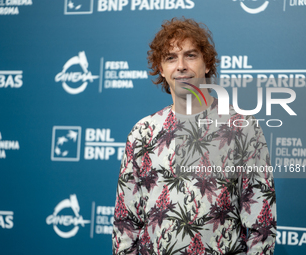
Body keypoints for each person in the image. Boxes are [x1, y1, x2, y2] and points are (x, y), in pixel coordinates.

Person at [112, 17, 276, 255]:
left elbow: (262, 225)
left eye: (190, 55)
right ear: (161, 68)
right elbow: (125, 222)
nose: (181, 66)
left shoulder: (242, 127)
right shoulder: (142, 132)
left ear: (207, 63)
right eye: (171, 58)